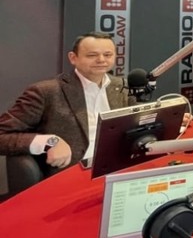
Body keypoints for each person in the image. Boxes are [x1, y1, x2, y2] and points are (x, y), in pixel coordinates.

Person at [0, 32, 134, 177]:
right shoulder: (46, 92)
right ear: (73, 58)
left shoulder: (124, 87)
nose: (101, 60)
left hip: (121, 171)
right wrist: (49, 142)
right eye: (92, 55)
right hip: (71, 176)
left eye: (107, 55)